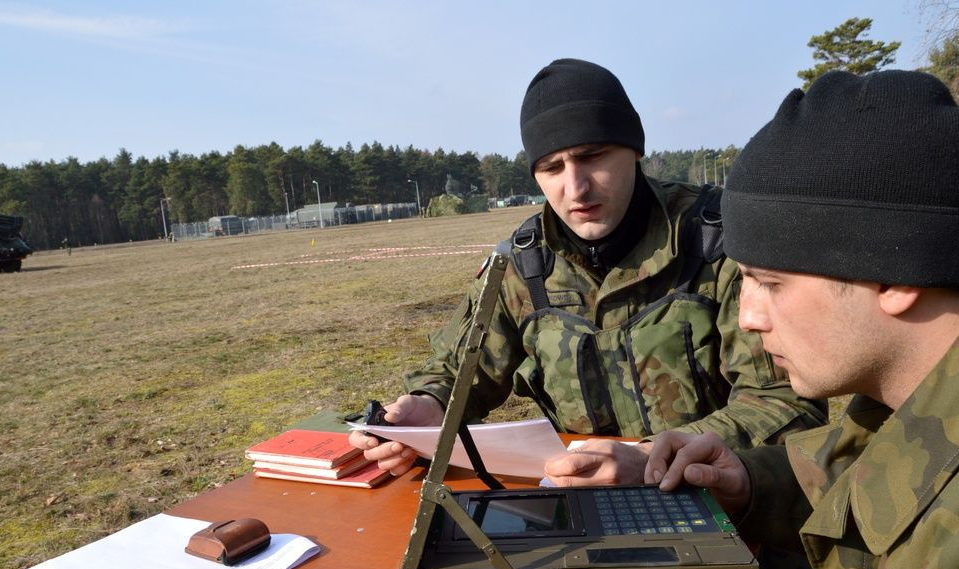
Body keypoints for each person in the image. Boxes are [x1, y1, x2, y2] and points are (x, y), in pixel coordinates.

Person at [647, 69, 959, 569]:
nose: (748, 317)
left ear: (896, 274)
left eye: (770, 282)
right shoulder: (913, 398)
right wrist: (747, 485)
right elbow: (878, 472)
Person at [351, 58, 825, 482]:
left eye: (593, 157)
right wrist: (427, 408)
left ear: (634, 149)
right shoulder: (524, 264)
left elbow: (786, 404)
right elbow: (459, 370)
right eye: (552, 167)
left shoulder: (719, 243)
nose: (575, 187)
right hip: (579, 503)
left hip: (725, 508)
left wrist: (649, 458)